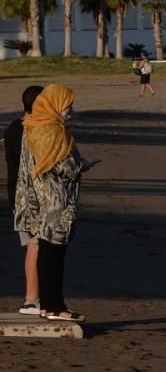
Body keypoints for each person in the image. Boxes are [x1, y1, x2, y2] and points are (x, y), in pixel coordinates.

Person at [15, 84, 97, 322]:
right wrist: (81, 165)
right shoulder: (52, 131)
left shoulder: (32, 127)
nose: (70, 108)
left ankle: (49, 305)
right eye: (67, 103)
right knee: (53, 257)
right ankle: (54, 307)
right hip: (56, 205)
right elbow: (64, 167)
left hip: (42, 204)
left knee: (47, 254)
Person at [5, 85, 43, 315]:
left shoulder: (13, 128)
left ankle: (34, 298)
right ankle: (32, 300)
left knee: (33, 246)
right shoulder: (27, 130)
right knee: (35, 246)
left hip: (19, 194)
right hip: (28, 196)